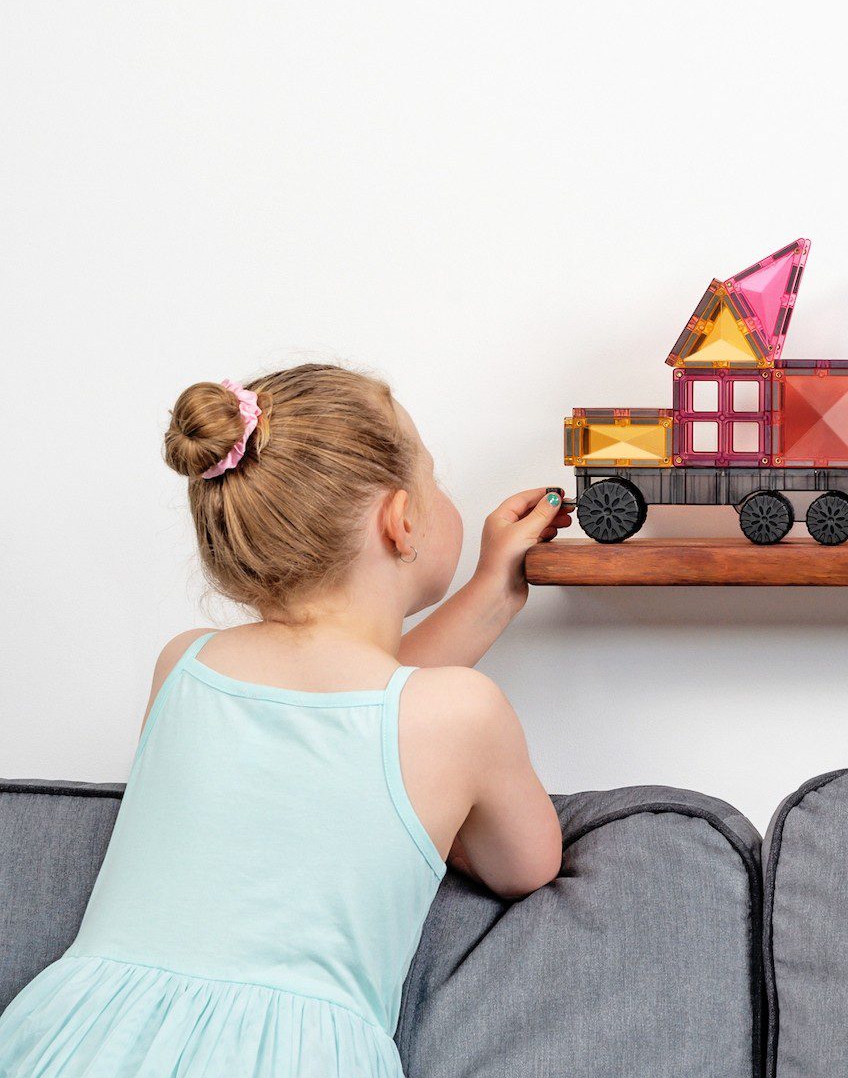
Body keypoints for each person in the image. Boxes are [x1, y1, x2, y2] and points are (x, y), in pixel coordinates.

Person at [0, 364, 568, 1076]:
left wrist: (491, 593)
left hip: (75, 1036)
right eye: (434, 476)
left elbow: (337, 698)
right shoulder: (462, 714)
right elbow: (526, 865)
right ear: (401, 521)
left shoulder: (184, 665)